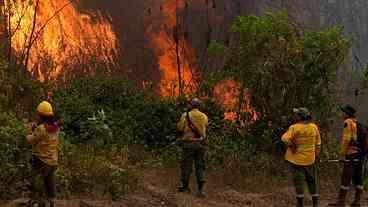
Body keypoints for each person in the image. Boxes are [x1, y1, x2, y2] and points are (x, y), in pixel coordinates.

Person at [281, 107, 321, 207]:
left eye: (297, 114)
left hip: (296, 161)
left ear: (300, 116)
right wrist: (316, 155)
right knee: (312, 181)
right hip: (310, 160)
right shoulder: (314, 127)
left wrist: (291, 145)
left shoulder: (295, 127)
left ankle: (300, 204)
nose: (295, 115)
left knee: (299, 182)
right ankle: (315, 204)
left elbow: (284, 138)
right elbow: (318, 144)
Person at [26, 101, 60, 207]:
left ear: (41, 116)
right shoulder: (56, 128)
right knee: (49, 181)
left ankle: (37, 202)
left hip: (41, 160)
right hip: (53, 161)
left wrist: (29, 131)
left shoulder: (41, 129)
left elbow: (31, 140)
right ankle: (51, 201)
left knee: (33, 180)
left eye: (38, 114)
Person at [329, 105, 363, 207]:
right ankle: (357, 201)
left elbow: (346, 139)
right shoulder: (356, 123)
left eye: (343, 112)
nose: (341, 114)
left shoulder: (347, 123)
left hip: (351, 154)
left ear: (346, 114)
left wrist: (342, 154)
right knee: (358, 177)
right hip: (359, 154)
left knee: (346, 177)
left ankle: (341, 202)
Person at [177, 98, 209, 198]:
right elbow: (205, 127)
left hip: (188, 144)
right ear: (199, 106)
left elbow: (180, 128)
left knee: (186, 166)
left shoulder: (185, 115)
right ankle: (201, 190)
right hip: (200, 144)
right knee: (200, 166)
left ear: (191, 105)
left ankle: (185, 187)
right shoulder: (204, 116)